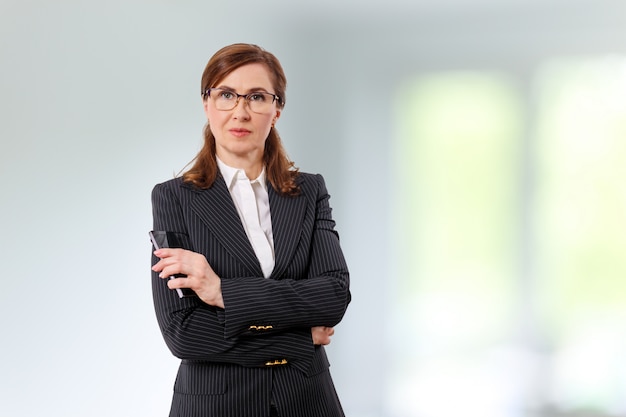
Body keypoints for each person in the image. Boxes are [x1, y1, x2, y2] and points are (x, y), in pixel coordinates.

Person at [150, 43, 351, 417]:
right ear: (207, 104)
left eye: (256, 97)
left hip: (308, 402)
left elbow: (333, 296)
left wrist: (222, 291)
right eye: (227, 94)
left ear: (276, 110)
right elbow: (184, 332)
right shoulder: (173, 199)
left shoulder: (309, 191)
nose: (240, 112)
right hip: (216, 406)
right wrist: (300, 339)